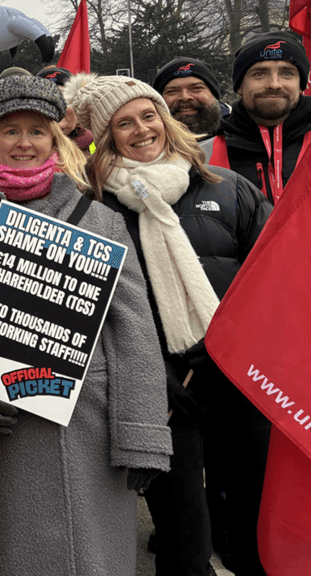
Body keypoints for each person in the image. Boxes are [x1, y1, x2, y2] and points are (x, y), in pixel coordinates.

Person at [0, 75, 172, 576]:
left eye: (37, 131)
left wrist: (141, 436)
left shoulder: (97, 218)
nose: (24, 142)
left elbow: (132, 333)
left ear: (56, 140)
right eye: (10, 131)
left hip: (85, 434)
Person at [75, 75, 273, 576]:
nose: (142, 130)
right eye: (124, 123)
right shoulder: (91, 207)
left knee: (254, 520)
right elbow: (88, 306)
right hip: (158, 389)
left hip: (236, 376)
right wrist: (152, 369)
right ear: (105, 135)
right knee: (184, 536)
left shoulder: (229, 188)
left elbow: (271, 277)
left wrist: (235, 338)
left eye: (149, 115)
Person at [214, 31, 311, 203]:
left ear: (301, 84)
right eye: (259, 74)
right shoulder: (205, 153)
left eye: (287, 73)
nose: (274, 84)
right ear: (239, 86)